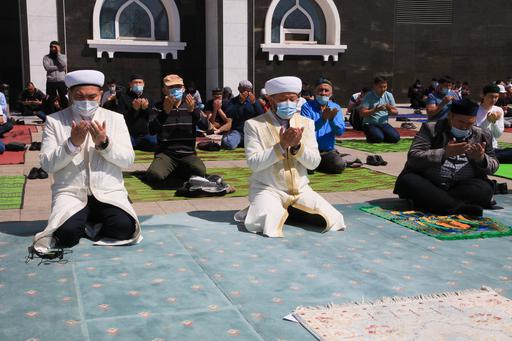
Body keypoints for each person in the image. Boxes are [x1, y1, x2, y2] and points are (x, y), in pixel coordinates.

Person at [32, 70, 141, 253]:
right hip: (71, 193)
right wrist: (71, 144)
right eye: (79, 97)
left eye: (92, 96)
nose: (86, 102)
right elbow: (47, 164)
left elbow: (128, 160)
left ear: (101, 95)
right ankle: (85, 223)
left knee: (124, 229)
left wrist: (104, 144)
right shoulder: (55, 121)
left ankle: (91, 222)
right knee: (66, 236)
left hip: (108, 191)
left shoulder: (115, 119)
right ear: (70, 96)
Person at [239, 76, 346, 237]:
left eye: (292, 99)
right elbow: (254, 164)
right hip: (268, 189)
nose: (288, 103)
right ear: (271, 100)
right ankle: (274, 207)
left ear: (298, 100)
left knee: (335, 220)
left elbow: (314, 164)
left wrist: (297, 147)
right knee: (266, 222)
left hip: (300, 190)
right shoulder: (254, 125)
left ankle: (289, 209)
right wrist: (281, 146)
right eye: (282, 99)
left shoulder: (306, 123)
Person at [394, 99, 498, 217]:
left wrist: (481, 159)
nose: (464, 127)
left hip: (460, 186)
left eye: (469, 123)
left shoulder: (482, 134)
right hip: (430, 182)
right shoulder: (431, 129)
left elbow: (494, 165)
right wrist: (444, 153)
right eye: (460, 122)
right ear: (450, 116)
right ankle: (459, 208)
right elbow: (413, 158)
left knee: (485, 189)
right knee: (408, 181)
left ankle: (435, 203)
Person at [146, 74, 209, 182]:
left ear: (183, 89)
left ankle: (177, 170)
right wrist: (165, 113)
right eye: (171, 87)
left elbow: (206, 127)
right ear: (164, 90)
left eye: (178, 87)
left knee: (200, 172)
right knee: (154, 175)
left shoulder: (191, 105)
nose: (175, 90)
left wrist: (194, 111)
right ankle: (173, 169)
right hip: (166, 154)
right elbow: (151, 130)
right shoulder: (158, 107)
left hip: (187, 154)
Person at [301, 78, 346, 173]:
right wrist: (322, 119)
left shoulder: (336, 107)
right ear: (315, 92)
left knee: (339, 165)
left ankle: (317, 165)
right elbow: (307, 130)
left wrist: (331, 120)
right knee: (307, 167)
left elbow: (340, 132)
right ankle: (315, 165)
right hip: (310, 150)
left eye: (326, 90)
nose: (323, 93)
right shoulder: (307, 107)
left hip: (327, 151)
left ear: (331, 93)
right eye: (320, 90)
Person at [105, 74, 156, 151]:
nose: (138, 84)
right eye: (135, 82)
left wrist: (145, 109)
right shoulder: (123, 97)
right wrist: (134, 109)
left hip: (145, 133)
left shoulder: (148, 97)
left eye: (140, 82)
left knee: (154, 143)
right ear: (130, 84)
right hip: (129, 134)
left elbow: (152, 116)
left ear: (143, 84)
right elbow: (121, 118)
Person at [222, 80, 264, 149]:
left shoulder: (254, 101)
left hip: (252, 132)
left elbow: (261, 115)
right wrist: (240, 103)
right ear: (239, 89)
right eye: (244, 89)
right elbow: (228, 114)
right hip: (238, 132)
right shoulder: (233, 101)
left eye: (248, 90)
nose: (246, 92)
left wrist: (254, 103)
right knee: (228, 144)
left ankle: (243, 142)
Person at [476, 84, 512, 163]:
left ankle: (488, 157)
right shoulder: (475, 109)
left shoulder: (498, 110)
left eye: (496, 97)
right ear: (483, 95)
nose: (494, 99)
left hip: (493, 147)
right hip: (478, 147)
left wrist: (494, 121)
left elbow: (498, 135)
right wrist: (488, 120)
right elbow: (476, 133)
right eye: (491, 96)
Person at [359, 76, 400, 143]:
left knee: (395, 138)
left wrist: (389, 110)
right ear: (375, 86)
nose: (383, 89)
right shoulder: (369, 96)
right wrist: (375, 110)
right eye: (380, 87)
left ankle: (380, 135)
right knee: (378, 138)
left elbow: (396, 112)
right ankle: (374, 135)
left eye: (385, 87)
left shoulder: (389, 95)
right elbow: (362, 113)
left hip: (384, 124)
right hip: (370, 124)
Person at [43, 41, 68, 107]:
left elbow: (63, 64)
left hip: (61, 81)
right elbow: (47, 68)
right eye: (51, 47)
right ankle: (51, 114)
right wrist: (59, 67)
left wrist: (58, 54)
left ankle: (65, 114)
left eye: (55, 47)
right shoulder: (46, 57)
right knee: (50, 100)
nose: (53, 48)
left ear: (58, 48)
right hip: (51, 81)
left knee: (64, 98)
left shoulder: (63, 56)